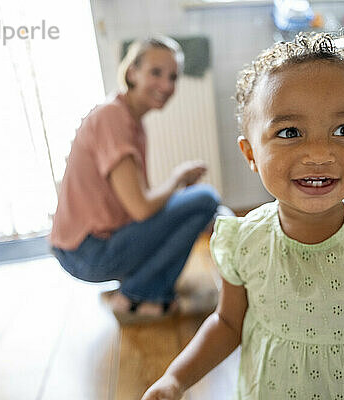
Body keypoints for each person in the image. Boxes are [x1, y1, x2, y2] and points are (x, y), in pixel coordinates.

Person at [142, 32, 344, 399]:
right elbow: (228, 323)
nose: (320, 153)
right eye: (290, 132)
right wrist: (175, 379)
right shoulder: (242, 241)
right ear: (251, 154)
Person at [50, 35, 223, 324]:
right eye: (156, 73)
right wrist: (178, 178)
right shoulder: (113, 118)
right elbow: (142, 208)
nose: (167, 86)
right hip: (87, 252)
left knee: (201, 209)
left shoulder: (126, 117)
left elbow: (137, 203)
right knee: (205, 199)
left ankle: (142, 290)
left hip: (87, 247)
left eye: (173, 77)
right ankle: (139, 294)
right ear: (132, 72)